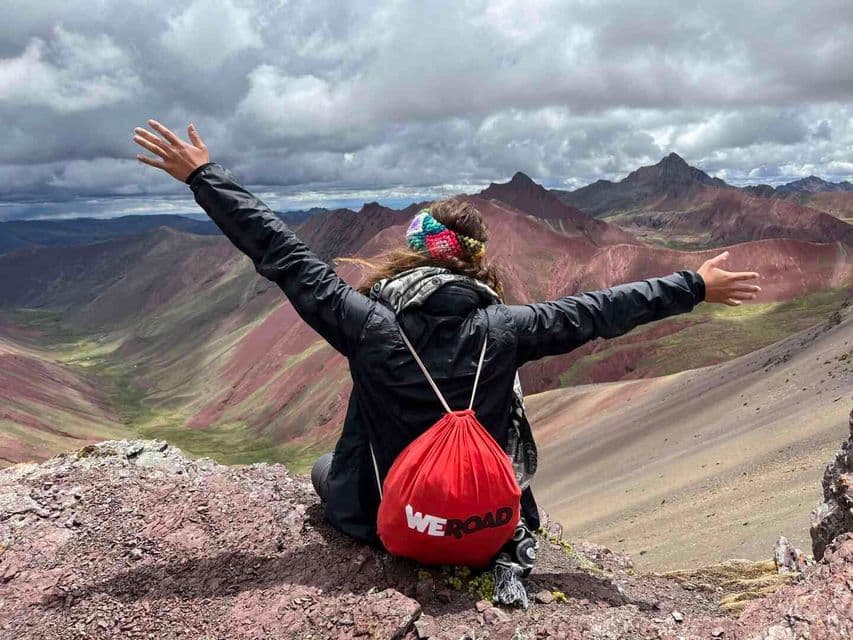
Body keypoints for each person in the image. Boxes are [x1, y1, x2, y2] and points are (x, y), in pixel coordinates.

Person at [132, 119, 761, 584]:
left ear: (412, 252)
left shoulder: (367, 324)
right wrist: (696, 284)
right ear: (476, 263)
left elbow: (284, 258)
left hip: (386, 524)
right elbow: (600, 312)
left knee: (326, 470)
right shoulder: (509, 328)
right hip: (484, 531)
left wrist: (203, 177)